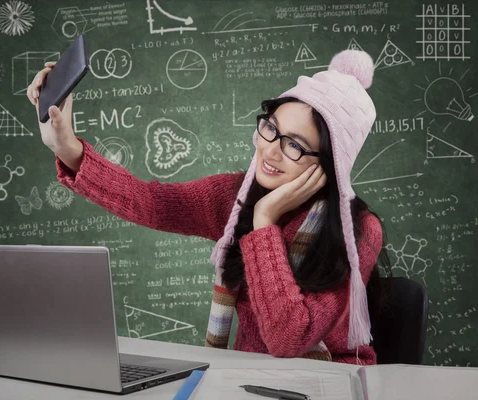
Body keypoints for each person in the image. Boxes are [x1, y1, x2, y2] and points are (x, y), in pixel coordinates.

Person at [26, 49, 391, 365]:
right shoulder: (235, 197)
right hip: (249, 379)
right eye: (270, 129)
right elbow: (153, 203)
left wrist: (265, 223)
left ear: (331, 163)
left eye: (294, 145)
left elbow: (288, 339)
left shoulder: (358, 231)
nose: (270, 151)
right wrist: (66, 146)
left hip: (335, 380)